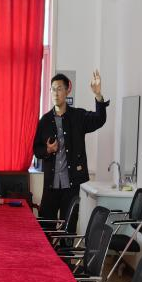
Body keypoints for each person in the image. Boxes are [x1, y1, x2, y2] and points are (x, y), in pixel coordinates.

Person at [33, 70, 109, 221]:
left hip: (71, 186)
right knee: (45, 226)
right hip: (51, 186)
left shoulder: (78, 116)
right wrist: (47, 150)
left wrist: (98, 95)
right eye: (53, 89)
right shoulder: (44, 121)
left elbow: (99, 119)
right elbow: (37, 150)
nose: (55, 93)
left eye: (59, 89)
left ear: (68, 90)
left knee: (69, 228)